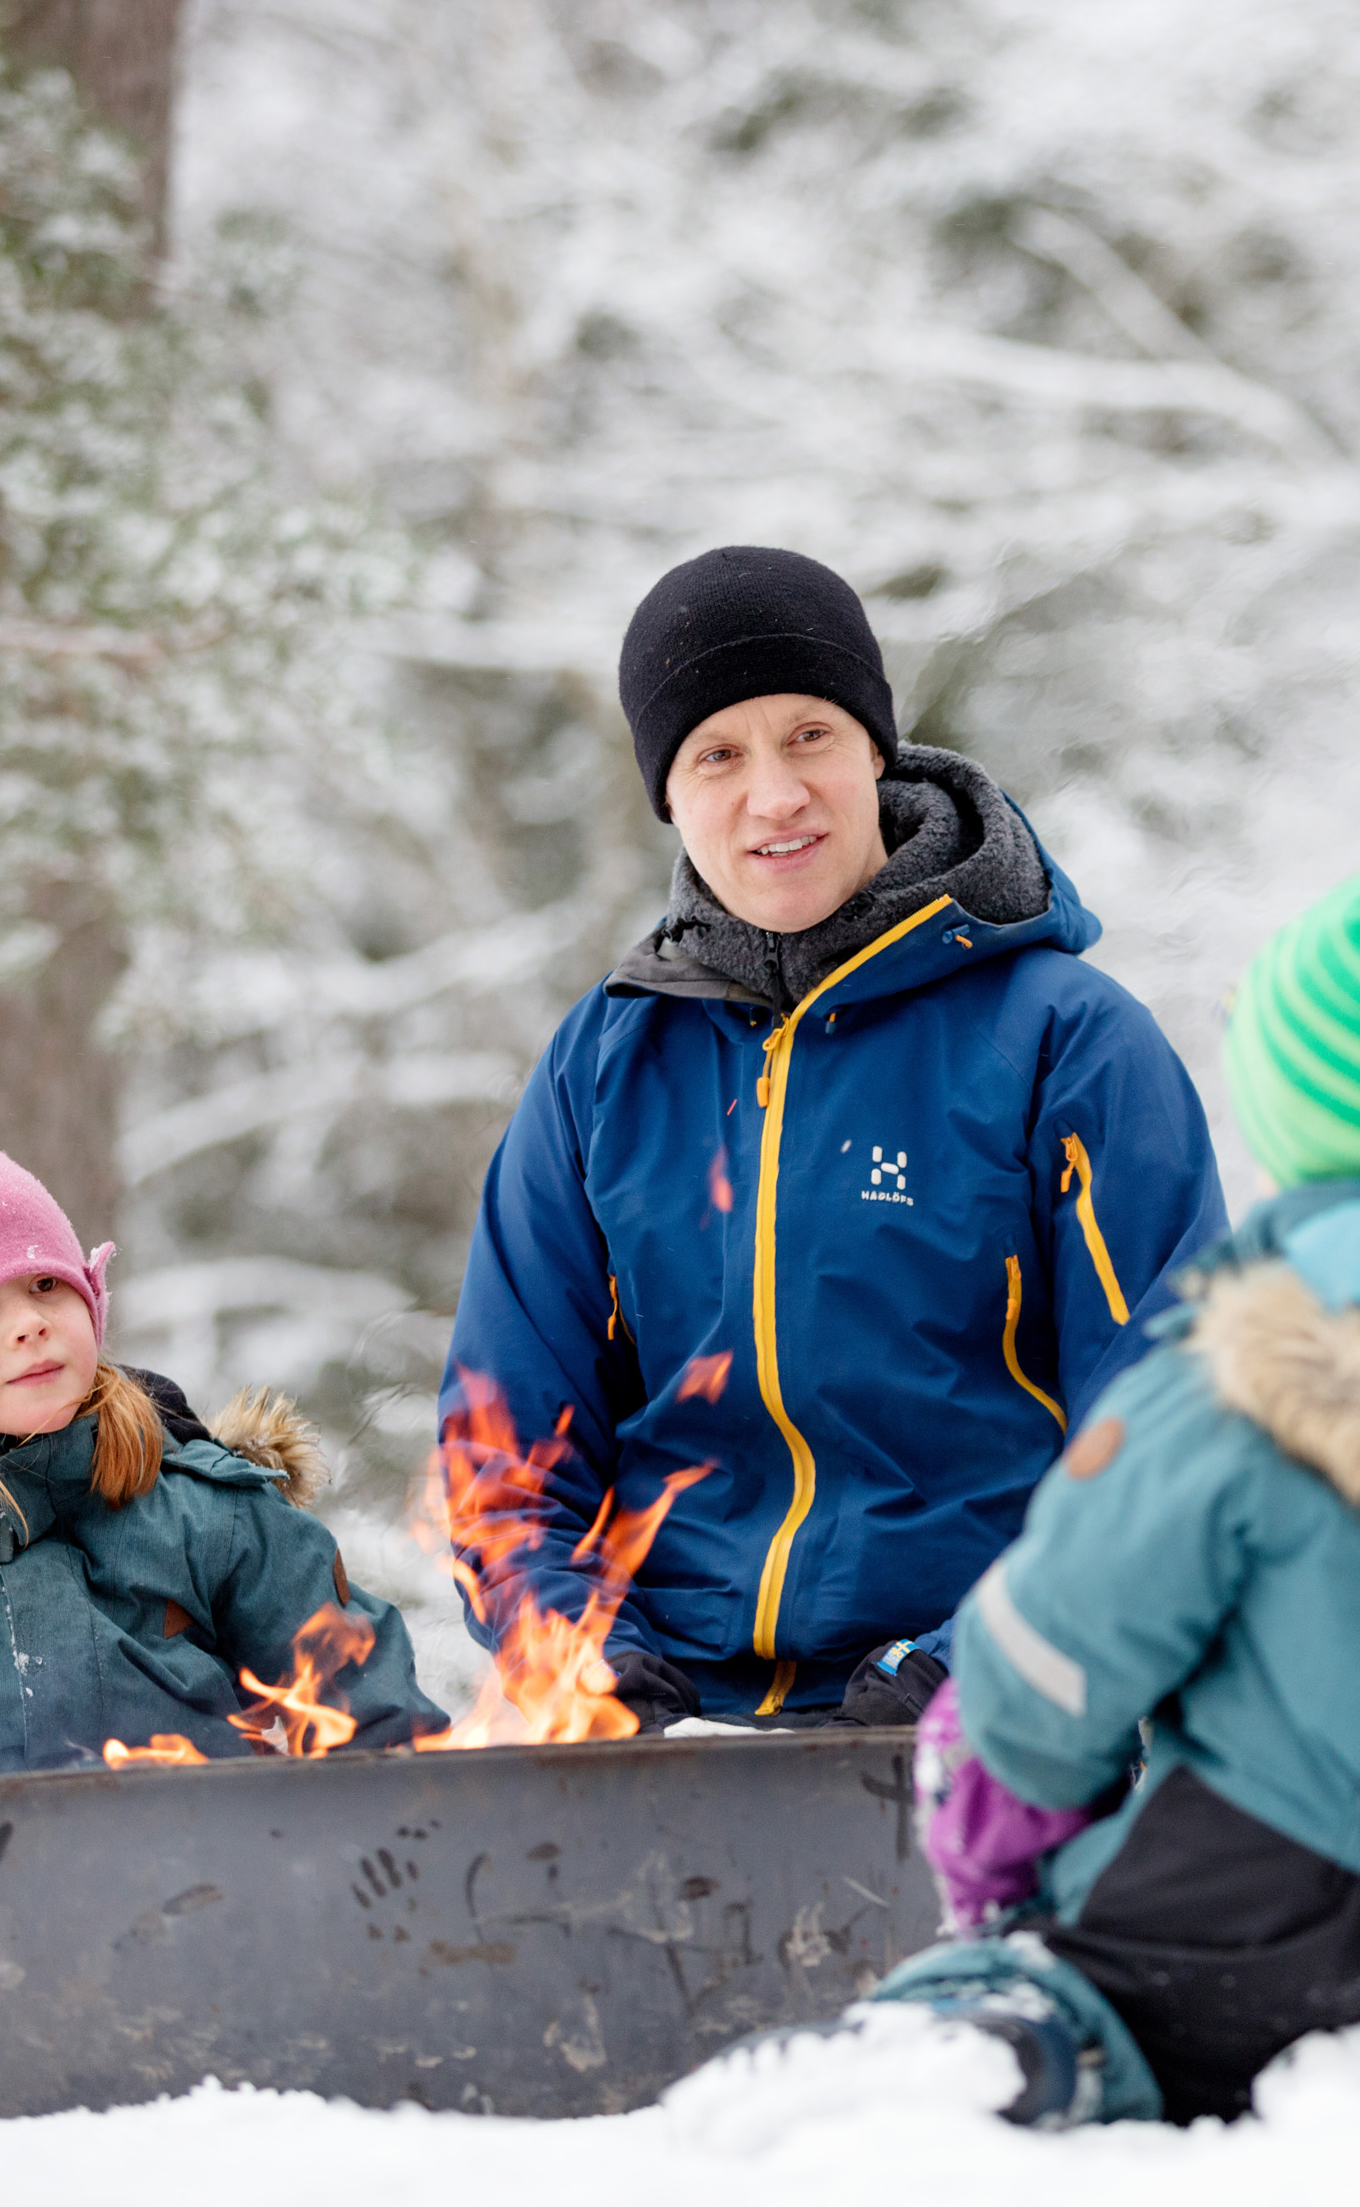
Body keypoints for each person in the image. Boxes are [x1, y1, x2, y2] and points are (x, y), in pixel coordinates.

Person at [665, 823, 1360, 2130]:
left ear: (1313, 1109)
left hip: (1263, 1893)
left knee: (1054, 1979)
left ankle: (1014, 2038)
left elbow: (1059, 1643)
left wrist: (992, 1838)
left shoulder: (1258, 1358)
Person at [444, 546, 1229, 1730]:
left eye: (808, 734)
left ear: (876, 746)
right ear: (668, 793)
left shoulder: (1068, 1043)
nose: (773, 795)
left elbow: (1166, 1431)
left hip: (993, 1723)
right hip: (662, 1732)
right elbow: (504, 1430)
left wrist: (979, 1663)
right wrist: (567, 1635)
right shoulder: (603, 1065)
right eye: (718, 754)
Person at [0, 1135, 440, 1776]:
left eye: (44, 1284)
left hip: (209, 1873)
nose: (29, 1322)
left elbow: (353, 1679)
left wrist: (396, 1813)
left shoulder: (199, 1500)